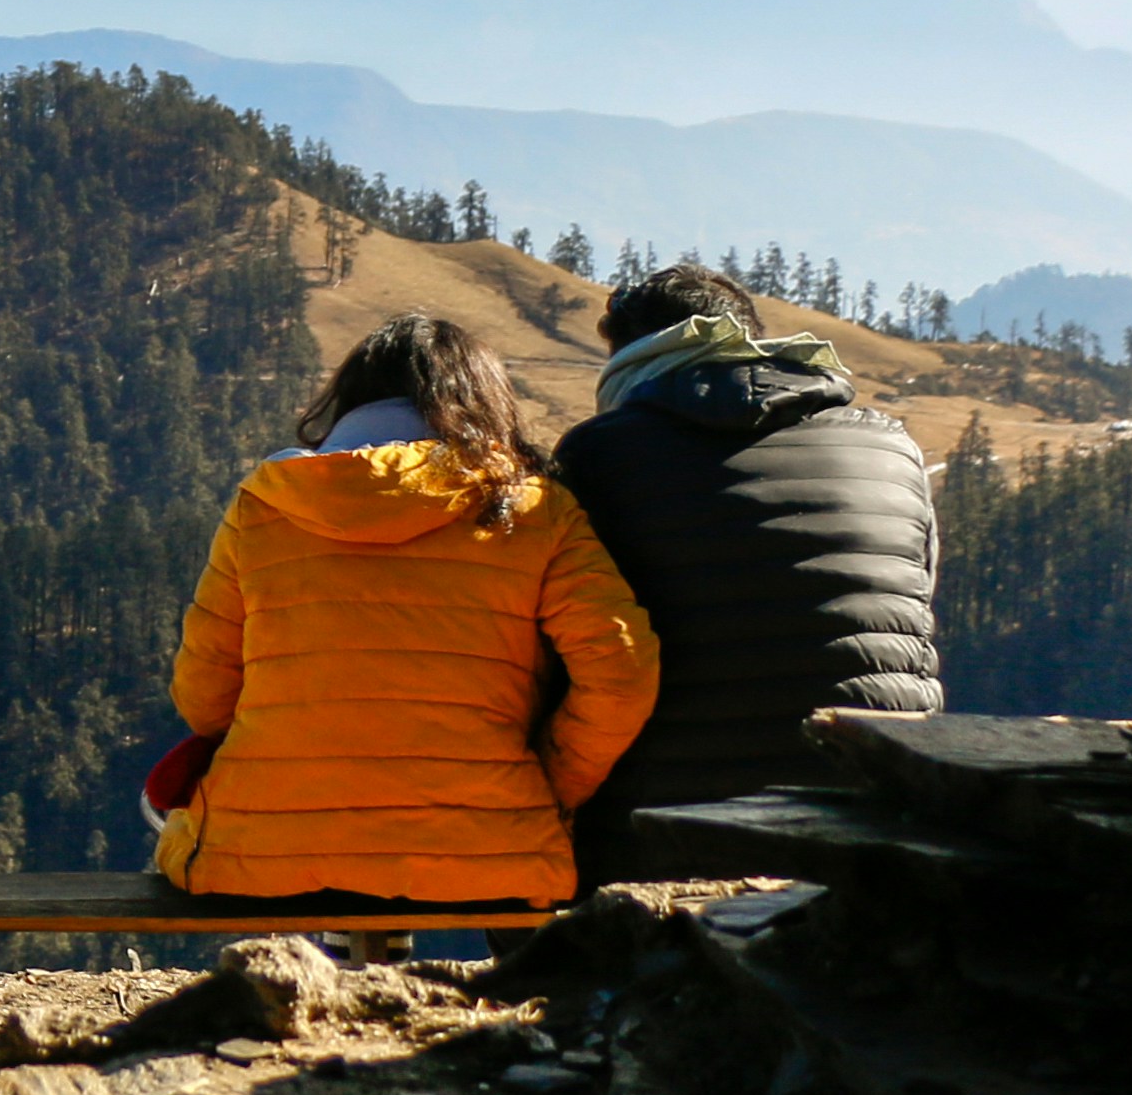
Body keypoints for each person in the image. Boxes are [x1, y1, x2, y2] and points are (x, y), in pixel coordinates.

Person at [146, 315, 661, 910]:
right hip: (487, 848)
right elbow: (620, 671)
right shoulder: (534, 509)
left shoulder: (266, 505)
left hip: (259, 853)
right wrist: (550, 780)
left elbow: (202, 694)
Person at [547, 260, 939, 866]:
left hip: (668, 823)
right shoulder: (891, 446)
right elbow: (911, 605)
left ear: (629, 359)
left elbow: (570, 643)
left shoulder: (601, 454)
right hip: (883, 797)